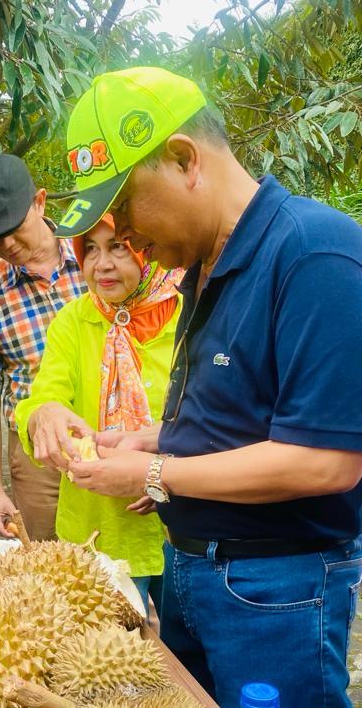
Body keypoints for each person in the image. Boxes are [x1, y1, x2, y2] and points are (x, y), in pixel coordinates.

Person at [55, 66, 362, 708]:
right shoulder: (203, 267)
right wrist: (153, 439)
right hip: (194, 571)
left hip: (275, 587)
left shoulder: (314, 252)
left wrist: (156, 474)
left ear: (184, 160)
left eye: (126, 208)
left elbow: (325, 461)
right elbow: (244, 417)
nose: (126, 236)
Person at [15, 213, 182, 613]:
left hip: (183, 528)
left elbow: (211, 415)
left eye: (118, 247)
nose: (101, 264)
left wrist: (162, 472)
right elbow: (42, 398)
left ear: (149, 246)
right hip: (99, 531)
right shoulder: (73, 321)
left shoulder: (188, 314)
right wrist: (46, 415)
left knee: (190, 658)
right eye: (89, 249)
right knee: (115, 654)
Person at [0, 154, 87, 540]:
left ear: (40, 202)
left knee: (126, 564)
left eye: (14, 228)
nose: (8, 244)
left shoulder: (96, 256)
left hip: (113, 433)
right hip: (37, 457)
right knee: (51, 568)